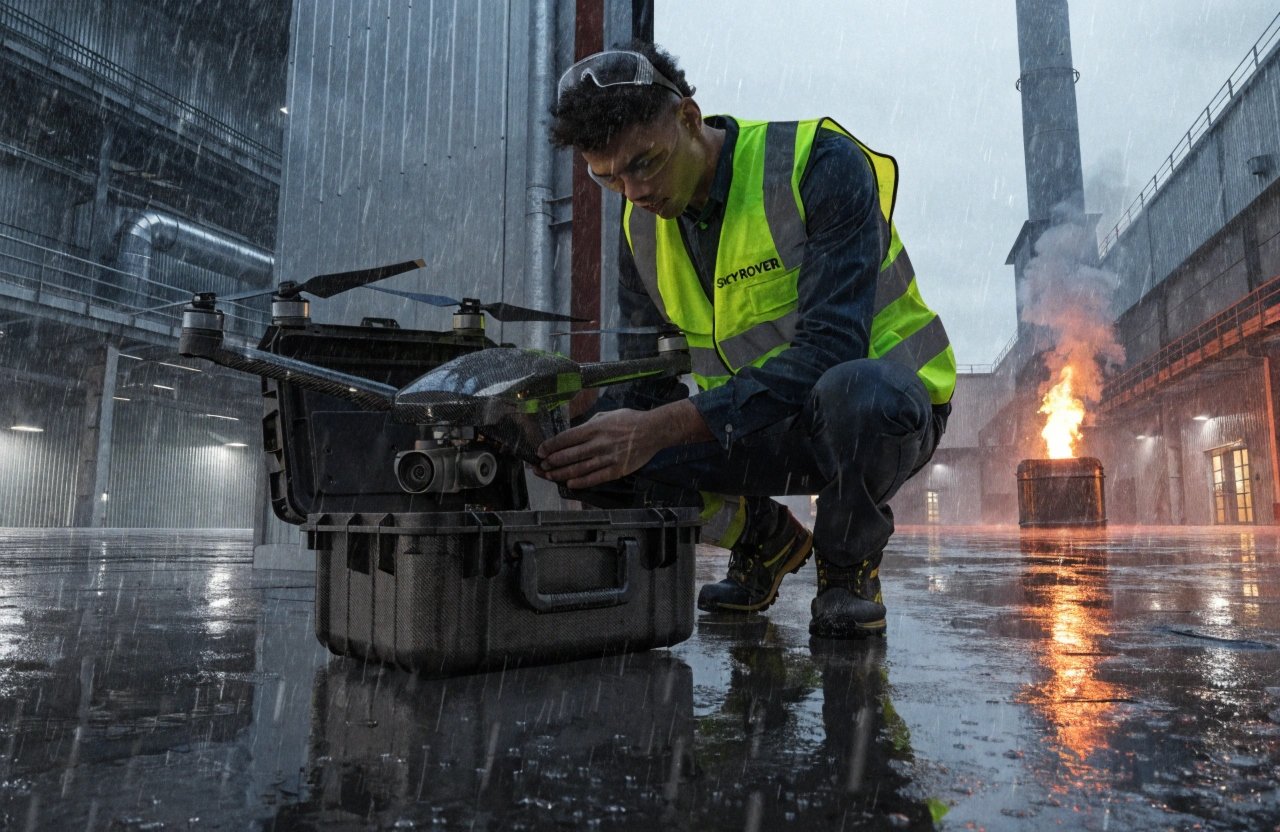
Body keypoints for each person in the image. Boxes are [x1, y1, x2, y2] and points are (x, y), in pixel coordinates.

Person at [537, 43, 955, 639]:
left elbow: (831, 349)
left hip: (876, 416)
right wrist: (583, 426)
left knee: (854, 388)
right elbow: (644, 382)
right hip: (754, 427)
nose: (632, 192)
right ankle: (764, 539)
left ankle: (847, 569)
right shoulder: (643, 232)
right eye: (607, 178)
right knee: (591, 456)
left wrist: (658, 428)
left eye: (645, 164)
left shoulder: (818, 166)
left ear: (688, 118)